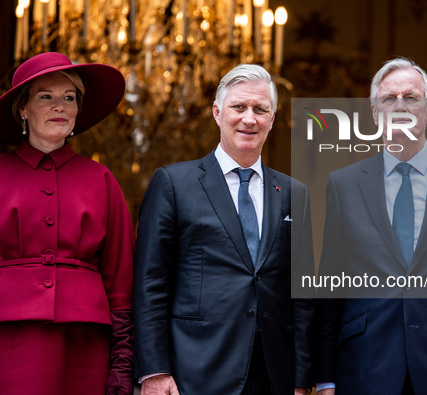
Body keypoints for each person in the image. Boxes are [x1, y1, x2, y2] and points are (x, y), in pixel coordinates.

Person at [134, 64, 315, 394]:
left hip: (273, 373)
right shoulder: (174, 183)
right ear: (217, 112)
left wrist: (302, 380)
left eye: (260, 109)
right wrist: (154, 370)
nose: (250, 119)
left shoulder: (294, 193)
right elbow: (151, 282)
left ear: (272, 119)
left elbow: (301, 296)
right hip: (194, 367)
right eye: (239, 107)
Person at [314, 57, 427, 394]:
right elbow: (330, 284)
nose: (399, 106)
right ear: (374, 111)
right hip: (366, 366)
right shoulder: (344, 183)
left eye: (411, 97)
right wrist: (325, 378)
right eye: (388, 98)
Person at [0, 52, 135, 394]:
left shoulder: (101, 178)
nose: (59, 106)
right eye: (46, 96)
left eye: (69, 97)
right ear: (23, 109)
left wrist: (123, 363)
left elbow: (122, 280)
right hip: (9, 340)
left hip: (86, 344)